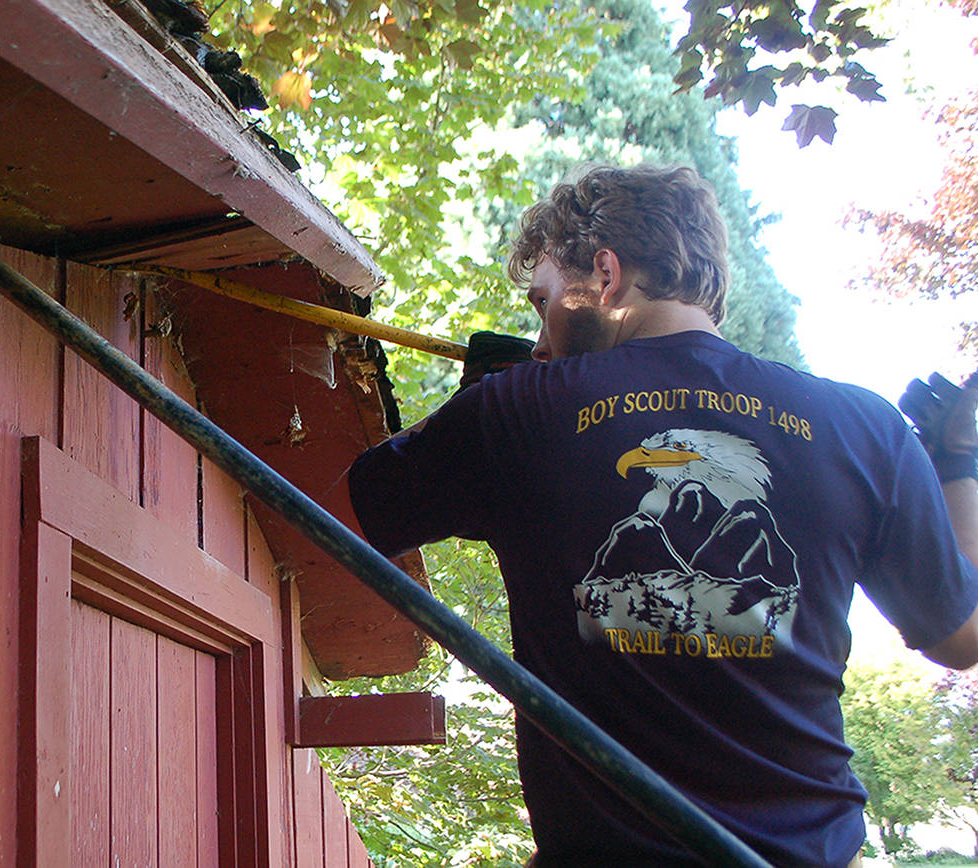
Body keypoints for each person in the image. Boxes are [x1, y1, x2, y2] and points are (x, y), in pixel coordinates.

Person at [345, 164, 978, 867]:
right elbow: (961, 638)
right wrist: (957, 466)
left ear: (605, 276)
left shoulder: (519, 411)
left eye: (544, 301)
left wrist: (479, 410)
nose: (542, 339)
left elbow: (356, 506)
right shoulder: (868, 428)